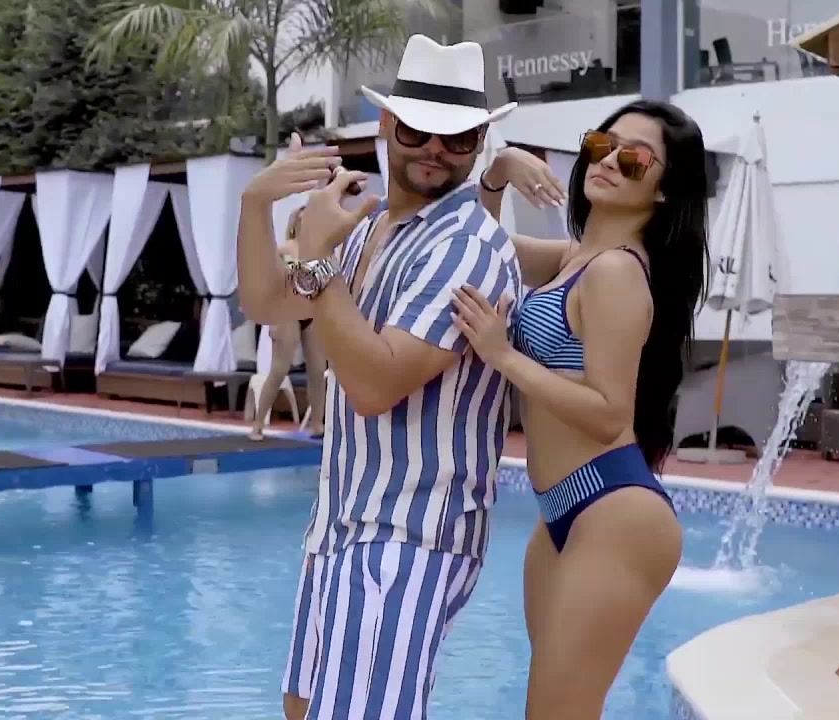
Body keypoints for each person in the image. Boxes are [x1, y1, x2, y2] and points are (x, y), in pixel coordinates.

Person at [236, 34, 522, 720]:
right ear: (388, 125)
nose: (436, 149)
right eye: (419, 129)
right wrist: (254, 204)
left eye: (458, 138)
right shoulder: (373, 229)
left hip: (410, 531)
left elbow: (375, 383)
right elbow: (268, 302)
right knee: (304, 706)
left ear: (480, 142)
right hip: (342, 520)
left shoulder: (467, 244)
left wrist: (316, 255)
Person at [451, 100, 708, 719]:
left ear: (664, 190)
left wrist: (503, 357)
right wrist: (497, 174)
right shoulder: (575, 258)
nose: (610, 161)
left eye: (635, 158)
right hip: (562, 511)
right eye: (601, 144)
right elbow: (474, 249)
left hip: (612, 511)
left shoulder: (616, 272)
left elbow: (608, 413)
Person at [250, 208, 327, 441]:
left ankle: (317, 424)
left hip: (312, 312)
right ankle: (257, 424)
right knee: (279, 369)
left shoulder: (321, 251)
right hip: (287, 313)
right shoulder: (283, 250)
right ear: (295, 224)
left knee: (317, 371)